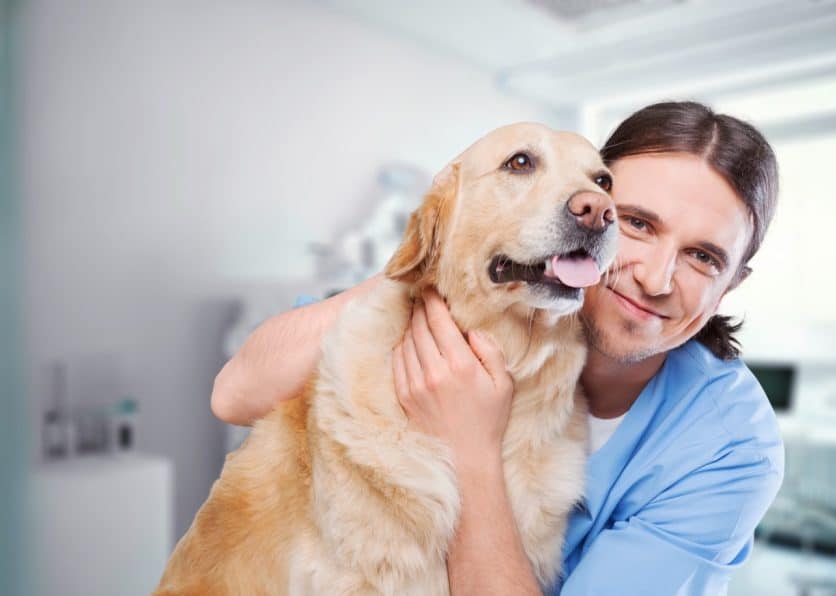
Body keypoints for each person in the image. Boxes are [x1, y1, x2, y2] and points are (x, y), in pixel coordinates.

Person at [211, 101, 784, 596]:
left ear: (732, 282)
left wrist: (470, 448)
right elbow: (235, 394)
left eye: (704, 258)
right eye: (634, 223)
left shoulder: (729, 447)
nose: (655, 278)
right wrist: (427, 258)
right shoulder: (480, 303)